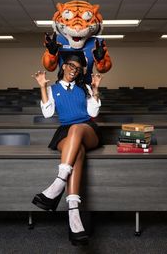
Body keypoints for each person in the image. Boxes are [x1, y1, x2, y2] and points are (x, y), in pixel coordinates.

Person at [32, 51, 103, 246]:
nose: (74, 70)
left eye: (78, 69)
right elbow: (47, 113)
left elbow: (93, 112)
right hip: (66, 133)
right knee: (76, 152)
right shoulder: (54, 89)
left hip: (87, 129)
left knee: (77, 128)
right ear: (63, 66)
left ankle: (58, 183)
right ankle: (74, 215)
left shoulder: (85, 87)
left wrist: (95, 89)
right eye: (71, 66)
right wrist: (43, 87)